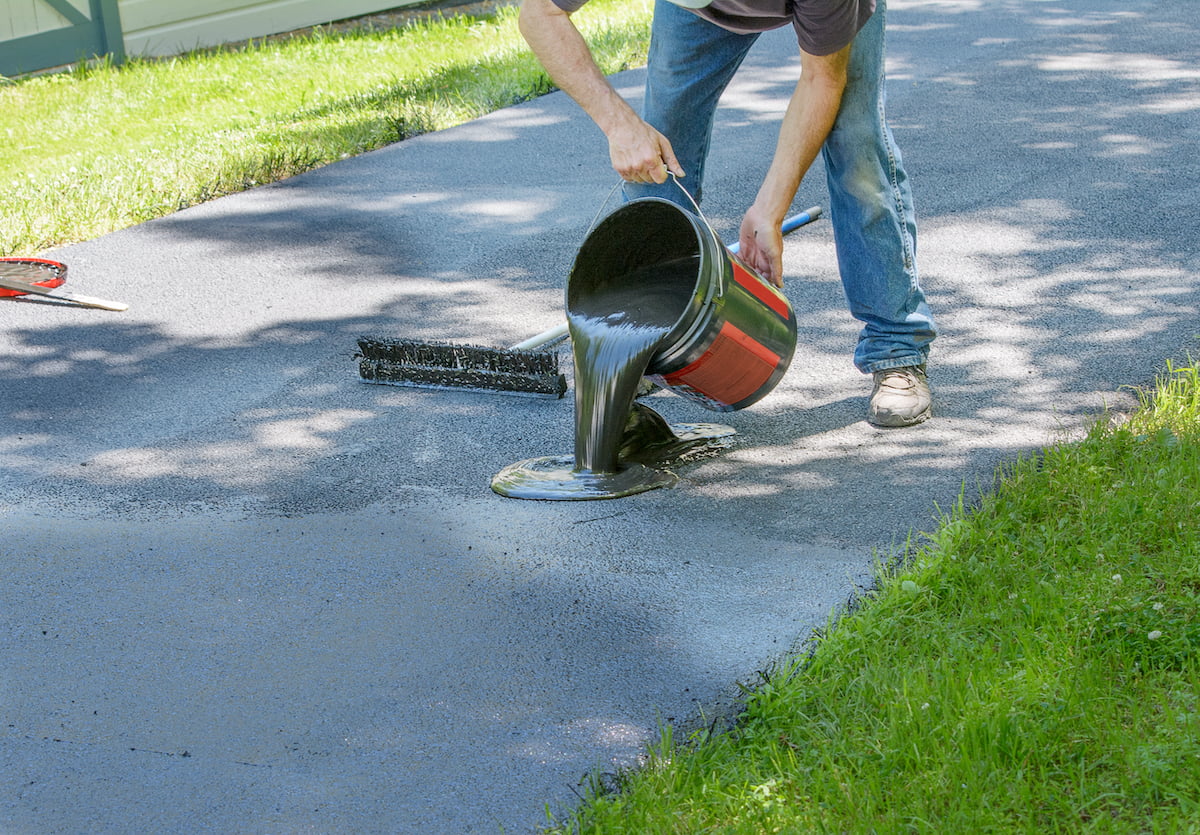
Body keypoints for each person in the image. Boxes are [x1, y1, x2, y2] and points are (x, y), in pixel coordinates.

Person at [518, 0, 936, 426]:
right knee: (658, 148)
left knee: (857, 147)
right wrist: (619, 125)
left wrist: (769, 210)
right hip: (693, 15)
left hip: (828, 13)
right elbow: (538, 14)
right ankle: (643, 339)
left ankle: (895, 345)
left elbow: (822, 81)